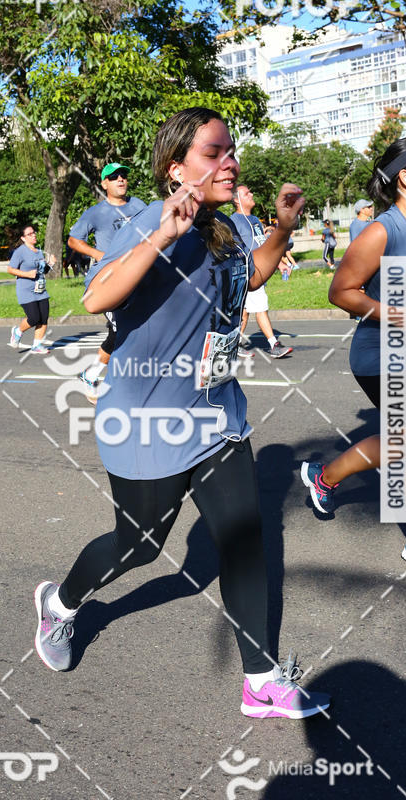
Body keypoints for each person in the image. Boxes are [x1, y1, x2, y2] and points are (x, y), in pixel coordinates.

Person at [34, 107, 330, 719]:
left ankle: (260, 680)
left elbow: (251, 277)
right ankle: (61, 605)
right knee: (138, 546)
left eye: (232, 151)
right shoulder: (146, 221)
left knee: (246, 542)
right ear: (177, 169)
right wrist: (163, 234)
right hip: (149, 421)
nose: (231, 161)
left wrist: (281, 226)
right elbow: (96, 296)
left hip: (218, 414)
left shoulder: (225, 227)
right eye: (214, 152)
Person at [301, 135, 406, 570]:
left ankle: (324, 478)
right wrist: (399, 316)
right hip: (384, 352)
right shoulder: (383, 231)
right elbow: (341, 292)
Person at [67, 163, 146, 403]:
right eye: (113, 177)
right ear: (104, 184)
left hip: (140, 274)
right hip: (109, 278)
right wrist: (101, 256)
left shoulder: (139, 206)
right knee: (121, 330)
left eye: (123, 175)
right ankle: (93, 376)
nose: (120, 179)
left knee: (143, 327)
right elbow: (73, 241)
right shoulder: (95, 212)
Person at [230, 185, 292, 358]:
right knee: (259, 308)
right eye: (246, 193)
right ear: (236, 200)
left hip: (259, 272)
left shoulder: (256, 220)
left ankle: (233, 345)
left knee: (244, 312)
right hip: (249, 273)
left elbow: (265, 246)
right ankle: (274, 345)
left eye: (251, 191)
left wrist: (279, 263)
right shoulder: (233, 221)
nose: (251, 194)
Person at [7, 224, 57, 354]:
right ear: (23, 238)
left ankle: (37, 345)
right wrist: (27, 274)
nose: (33, 235)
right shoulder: (20, 252)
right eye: (30, 234)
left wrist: (50, 263)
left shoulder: (39, 251)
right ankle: (17, 332)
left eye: (34, 232)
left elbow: (42, 271)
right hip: (26, 290)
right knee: (34, 318)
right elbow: (10, 269)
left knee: (43, 318)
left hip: (40, 289)